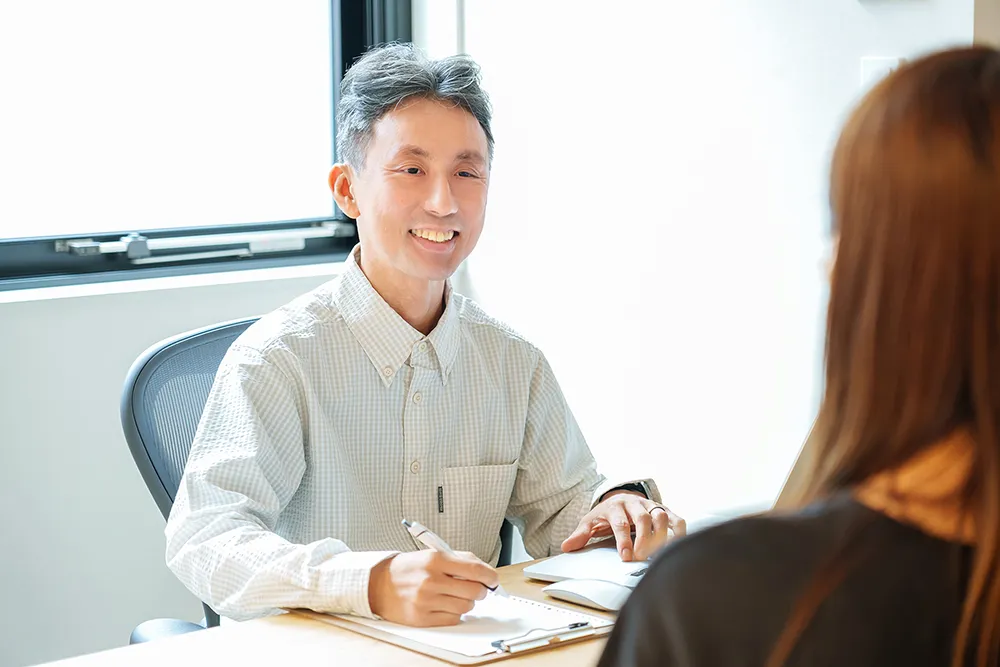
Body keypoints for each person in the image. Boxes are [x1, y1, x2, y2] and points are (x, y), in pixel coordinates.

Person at [164, 43, 684, 628]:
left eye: (466, 173)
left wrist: (612, 513)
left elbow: (563, 510)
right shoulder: (277, 359)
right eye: (412, 170)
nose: (443, 202)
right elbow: (205, 539)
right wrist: (369, 583)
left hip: (473, 650)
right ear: (347, 190)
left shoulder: (513, 361)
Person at [598, 45, 1000, 667]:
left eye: (842, 227)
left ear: (882, 274)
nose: (826, 262)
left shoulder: (719, 601)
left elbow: (565, 496)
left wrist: (616, 501)